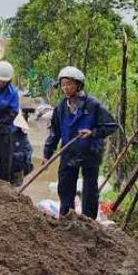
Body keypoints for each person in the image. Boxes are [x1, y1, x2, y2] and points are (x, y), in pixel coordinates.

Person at [43, 66, 116, 220]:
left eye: (69, 84)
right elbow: (54, 133)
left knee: (90, 190)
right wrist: (47, 154)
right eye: (63, 84)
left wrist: (93, 133)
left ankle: (87, 222)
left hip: (90, 153)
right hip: (68, 153)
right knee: (65, 188)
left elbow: (110, 125)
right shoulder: (61, 107)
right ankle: (66, 219)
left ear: (78, 84)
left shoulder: (93, 105)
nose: (66, 88)